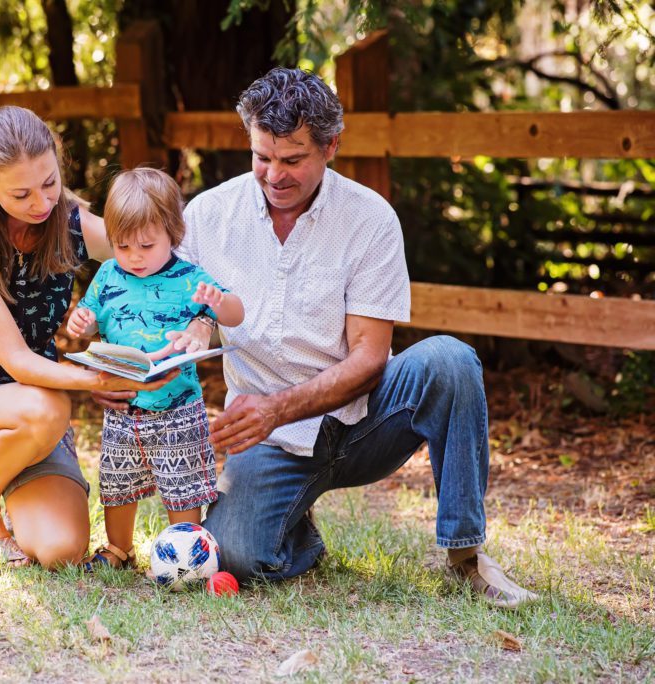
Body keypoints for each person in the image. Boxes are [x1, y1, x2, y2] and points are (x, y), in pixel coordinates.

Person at [94, 68, 538, 607]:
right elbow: (170, 309)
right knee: (234, 555)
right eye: (262, 157)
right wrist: (117, 375)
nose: (274, 174)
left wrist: (275, 409)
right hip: (268, 441)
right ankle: (297, 532)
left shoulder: (370, 219)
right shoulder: (209, 214)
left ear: (331, 146)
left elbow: (371, 359)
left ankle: (466, 556)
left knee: (451, 360)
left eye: (293, 159)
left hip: (366, 420)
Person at [0, 106, 186, 568]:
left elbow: (160, 257)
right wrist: (99, 382)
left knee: (61, 551)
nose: (41, 202)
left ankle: (16, 495)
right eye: (22, 193)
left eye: (49, 182)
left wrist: (199, 318)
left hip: (33, 420)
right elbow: (17, 362)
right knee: (47, 404)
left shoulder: (68, 219)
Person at [65, 168, 244, 569]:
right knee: (117, 482)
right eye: (122, 245)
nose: (134, 256)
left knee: (183, 486)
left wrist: (217, 302)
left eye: (146, 245)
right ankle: (119, 548)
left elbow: (236, 313)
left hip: (177, 405)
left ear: (172, 233)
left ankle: (188, 551)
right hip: (124, 407)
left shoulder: (189, 278)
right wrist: (82, 322)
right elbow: (91, 316)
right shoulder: (109, 274)